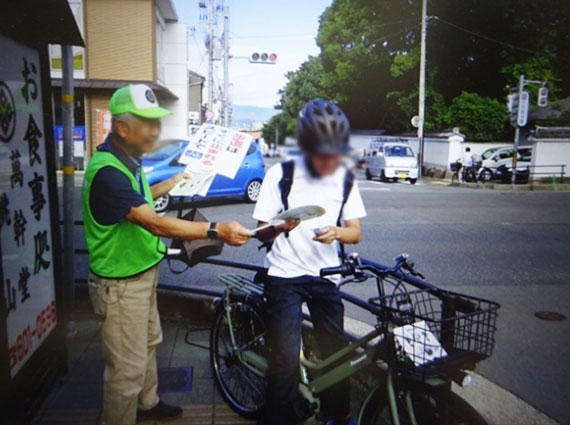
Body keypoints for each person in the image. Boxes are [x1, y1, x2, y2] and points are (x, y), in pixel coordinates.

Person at [82, 84, 252, 425]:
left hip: (141, 275)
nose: (155, 130)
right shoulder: (108, 173)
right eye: (147, 123)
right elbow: (154, 223)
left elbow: (139, 198)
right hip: (120, 286)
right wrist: (217, 229)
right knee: (125, 370)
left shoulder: (125, 162)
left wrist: (172, 182)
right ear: (121, 127)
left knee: (150, 343)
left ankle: (148, 402)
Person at [253, 99, 366, 425]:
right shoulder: (280, 174)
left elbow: (356, 232)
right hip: (285, 275)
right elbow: (260, 233)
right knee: (286, 359)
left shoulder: (344, 177)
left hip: (326, 275)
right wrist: (279, 226)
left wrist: (337, 233)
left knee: (337, 353)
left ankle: (337, 416)